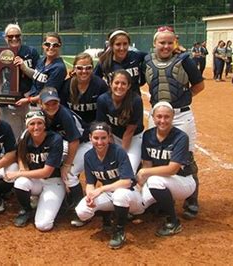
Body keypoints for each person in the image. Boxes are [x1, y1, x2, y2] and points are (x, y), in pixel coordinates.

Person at [143, 26, 204, 220]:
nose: (166, 46)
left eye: (170, 42)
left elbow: (199, 86)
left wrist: (182, 99)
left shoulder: (184, 60)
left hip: (179, 115)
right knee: (155, 154)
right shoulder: (146, 60)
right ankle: (158, 198)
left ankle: (192, 199)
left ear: (175, 43)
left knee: (186, 156)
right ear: (155, 43)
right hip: (156, 115)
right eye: (162, 42)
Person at [75, 122, 145, 249]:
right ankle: (108, 217)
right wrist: (90, 195)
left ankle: (119, 231)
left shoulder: (118, 152)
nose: (100, 142)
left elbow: (127, 182)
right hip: (109, 194)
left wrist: (101, 189)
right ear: (90, 138)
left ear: (109, 137)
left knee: (120, 195)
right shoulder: (89, 156)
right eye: (96, 138)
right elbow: (90, 184)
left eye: (103, 138)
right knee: (82, 212)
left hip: (130, 195)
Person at [138, 102, 196, 237]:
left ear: (172, 117)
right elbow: (147, 164)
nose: (162, 120)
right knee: (138, 206)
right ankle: (159, 206)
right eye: (159, 116)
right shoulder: (148, 135)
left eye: (166, 117)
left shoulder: (181, 137)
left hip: (183, 181)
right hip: (160, 180)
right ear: (152, 117)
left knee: (154, 181)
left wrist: (144, 173)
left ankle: (173, 221)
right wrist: (139, 185)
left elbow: (172, 169)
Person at [37, 87, 89, 226]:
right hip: (68, 143)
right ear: (40, 104)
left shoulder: (63, 114)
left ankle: (81, 210)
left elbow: (75, 140)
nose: (51, 106)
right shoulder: (40, 115)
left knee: (70, 173)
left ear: (59, 102)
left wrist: (67, 164)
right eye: (47, 103)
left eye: (54, 103)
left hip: (85, 144)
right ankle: (63, 199)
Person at [5, 110, 65, 231]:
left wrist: (19, 173)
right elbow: (20, 155)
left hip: (53, 181)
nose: (36, 127)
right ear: (27, 126)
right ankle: (27, 209)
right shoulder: (25, 138)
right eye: (32, 124)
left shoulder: (55, 139)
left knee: (43, 225)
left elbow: (46, 172)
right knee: (21, 182)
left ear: (45, 125)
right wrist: (22, 169)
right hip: (36, 181)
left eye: (39, 123)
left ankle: (60, 201)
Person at [96, 70, 144, 173]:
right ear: (110, 83)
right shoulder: (103, 99)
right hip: (113, 136)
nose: (119, 86)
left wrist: (120, 155)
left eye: (123, 83)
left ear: (129, 86)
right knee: (111, 168)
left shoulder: (135, 100)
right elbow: (105, 128)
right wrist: (113, 149)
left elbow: (129, 132)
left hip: (134, 138)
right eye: (116, 82)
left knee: (127, 169)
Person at [59, 52, 108, 127]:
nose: (84, 71)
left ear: (92, 68)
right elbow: (63, 111)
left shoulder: (100, 85)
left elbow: (104, 113)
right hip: (73, 126)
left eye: (88, 68)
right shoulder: (66, 85)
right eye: (79, 68)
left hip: (95, 127)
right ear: (74, 68)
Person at [15, 32, 67, 103]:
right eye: (47, 44)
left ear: (60, 46)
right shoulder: (42, 60)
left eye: (55, 45)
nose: (51, 47)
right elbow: (36, 75)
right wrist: (24, 67)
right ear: (43, 45)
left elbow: (47, 94)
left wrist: (28, 100)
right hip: (32, 99)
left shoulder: (59, 68)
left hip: (44, 105)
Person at [94, 29, 146, 95]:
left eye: (125, 44)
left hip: (134, 102)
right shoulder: (104, 62)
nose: (122, 48)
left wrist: (143, 78)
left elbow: (152, 59)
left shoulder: (136, 56)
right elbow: (94, 80)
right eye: (118, 44)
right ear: (111, 46)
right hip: (113, 102)